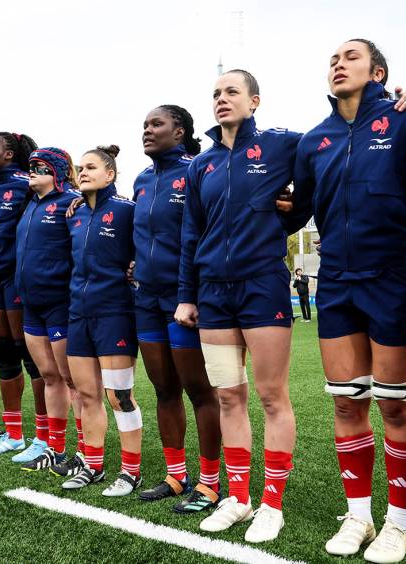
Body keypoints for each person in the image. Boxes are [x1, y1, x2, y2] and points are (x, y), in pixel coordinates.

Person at [285, 38, 406, 561]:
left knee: (396, 407)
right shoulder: (315, 140)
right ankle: (359, 516)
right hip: (336, 281)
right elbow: (297, 209)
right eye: (331, 58)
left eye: (350, 57)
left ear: (378, 72)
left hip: (395, 275)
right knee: (347, 401)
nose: (337, 63)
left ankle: (400, 524)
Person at [175, 69, 305, 543]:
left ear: (255, 100)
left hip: (262, 286)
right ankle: (239, 497)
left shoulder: (283, 144)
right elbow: (191, 233)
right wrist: (186, 294)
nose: (221, 99)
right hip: (212, 293)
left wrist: (298, 209)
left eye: (232, 91)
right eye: (215, 93)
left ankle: (272, 504)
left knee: (272, 396)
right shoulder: (200, 166)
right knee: (229, 396)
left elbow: (323, 169)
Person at [123, 105, 224, 513]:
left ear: (179, 131)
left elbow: (199, 234)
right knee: (164, 389)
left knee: (200, 391)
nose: (147, 130)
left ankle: (210, 482)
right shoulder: (143, 178)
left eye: (156, 124)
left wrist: (191, 293)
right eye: (144, 124)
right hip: (145, 298)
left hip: (185, 299)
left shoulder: (196, 169)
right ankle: (175, 475)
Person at [61, 145, 142, 496]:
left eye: (91, 167)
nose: (83, 171)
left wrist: (138, 266)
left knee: (119, 396)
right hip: (78, 314)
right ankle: (93, 466)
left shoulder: (127, 211)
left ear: (110, 175)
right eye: (80, 167)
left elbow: (147, 245)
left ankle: (131, 471)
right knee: (86, 393)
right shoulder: (74, 214)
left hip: (115, 313)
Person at [0, 131, 49, 459]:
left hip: (17, 281)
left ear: (8, 154)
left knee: (31, 359)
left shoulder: (25, 183)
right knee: (3, 355)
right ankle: (14, 433)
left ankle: (45, 437)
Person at [13, 147, 83, 471]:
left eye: (40, 167)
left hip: (60, 303)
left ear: (56, 171)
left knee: (73, 381)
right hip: (31, 304)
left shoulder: (70, 203)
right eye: (31, 166)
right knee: (49, 376)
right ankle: (55, 448)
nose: (32, 171)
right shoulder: (30, 206)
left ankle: (85, 452)